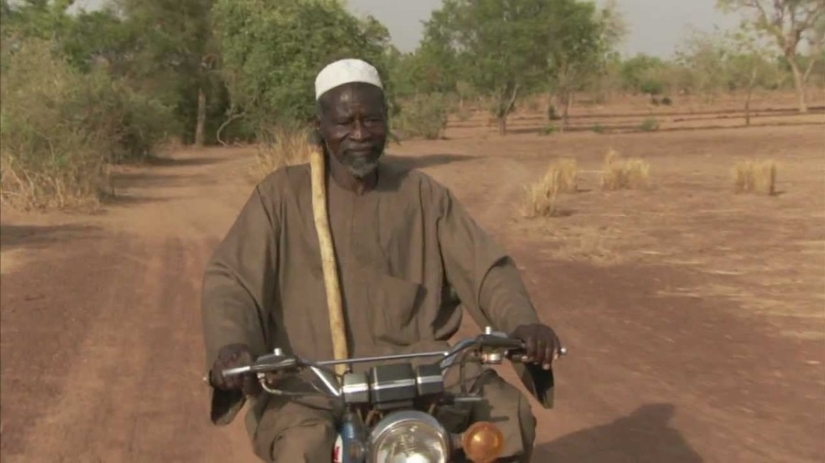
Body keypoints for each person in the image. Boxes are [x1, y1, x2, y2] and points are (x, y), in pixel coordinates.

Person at [201, 58, 562, 462]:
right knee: (302, 448)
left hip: (423, 365)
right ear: (319, 126)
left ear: (387, 119)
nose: (359, 134)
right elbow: (232, 281)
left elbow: (486, 270)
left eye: (371, 120)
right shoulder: (280, 197)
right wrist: (232, 344)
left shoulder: (422, 195)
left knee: (507, 420)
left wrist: (522, 323)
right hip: (311, 379)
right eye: (345, 123)